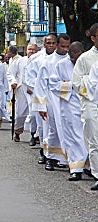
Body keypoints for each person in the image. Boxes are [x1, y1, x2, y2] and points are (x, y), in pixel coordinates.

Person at [49, 41, 88, 181]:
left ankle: (89, 166)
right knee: (72, 136)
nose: (74, 61)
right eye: (71, 58)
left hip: (86, 104)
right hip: (70, 105)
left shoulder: (89, 63)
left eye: (76, 58)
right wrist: (71, 85)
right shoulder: (61, 65)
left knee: (88, 136)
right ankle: (76, 167)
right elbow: (53, 83)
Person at [33, 33, 70, 171]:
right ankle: (50, 157)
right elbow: (40, 85)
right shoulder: (47, 62)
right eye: (62, 46)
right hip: (51, 100)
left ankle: (64, 158)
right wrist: (41, 106)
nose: (65, 49)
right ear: (57, 45)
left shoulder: (71, 60)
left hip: (68, 102)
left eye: (67, 46)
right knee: (52, 130)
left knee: (67, 130)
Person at [72, 23, 98, 190]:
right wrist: (91, 84)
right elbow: (76, 83)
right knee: (95, 140)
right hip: (91, 104)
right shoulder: (85, 58)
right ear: (93, 38)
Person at [25, 33, 57, 164]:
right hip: (41, 97)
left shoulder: (62, 58)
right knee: (43, 126)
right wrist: (41, 89)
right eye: (48, 43)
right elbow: (30, 77)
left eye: (53, 43)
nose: (51, 45)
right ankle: (45, 152)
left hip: (57, 98)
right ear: (44, 44)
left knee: (57, 127)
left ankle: (57, 155)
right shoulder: (36, 59)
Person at [8, 45, 37, 142]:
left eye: (34, 50)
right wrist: (13, 82)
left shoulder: (41, 60)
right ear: (26, 51)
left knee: (34, 113)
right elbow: (10, 73)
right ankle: (17, 131)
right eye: (30, 49)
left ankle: (35, 135)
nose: (32, 51)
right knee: (20, 113)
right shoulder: (20, 61)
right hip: (22, 89)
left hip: (36, 90)